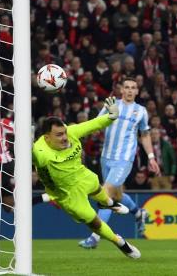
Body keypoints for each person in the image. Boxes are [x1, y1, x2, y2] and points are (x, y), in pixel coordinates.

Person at [33, 98, 140, 258]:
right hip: (67, 193)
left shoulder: (71, 132)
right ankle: (119, 242)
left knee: (97, 187)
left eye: (64, 132)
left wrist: (112, 116)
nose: (64, 137)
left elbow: (94, 124)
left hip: (82, 176)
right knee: (94, 222)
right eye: (59, 135)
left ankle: (110, 203)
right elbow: (28, 156)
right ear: (47, 138)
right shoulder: (40, 152)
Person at [80, 78, 160, 249]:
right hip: (106, 157)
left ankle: (95, 237)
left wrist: (151, 157)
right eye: (127, 87)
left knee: (105, 193)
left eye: (133, 88)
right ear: (121, 90)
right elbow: (97, 124)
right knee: (116, 195)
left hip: (124, 159)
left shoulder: (140, 111)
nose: (130, 90)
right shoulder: (112, 104)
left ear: (137, 91)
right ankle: (139, 213)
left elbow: (145, 135)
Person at [0, 108, 50, 250]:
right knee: (11, 207)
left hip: (3, 164)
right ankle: (48, 196)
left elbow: (20, 132)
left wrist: (30, 134)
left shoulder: (2, 122)